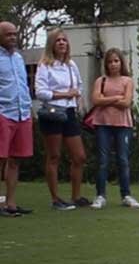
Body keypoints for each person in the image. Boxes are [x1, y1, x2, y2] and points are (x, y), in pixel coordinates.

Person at [35, 28, 89, 210]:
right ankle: (55, 198)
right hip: (52, 113)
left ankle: (75, 196)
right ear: (51, 44)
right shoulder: (45, 65)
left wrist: (74, 95)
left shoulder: (71, 65)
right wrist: (64, 94)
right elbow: (41, 93)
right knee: (54, 156)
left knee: (79, 156)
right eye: (58, 40)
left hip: (70, 112)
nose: (62, 43)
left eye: (64, 40)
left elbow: (79, 86)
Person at [90, 48, 139, 209]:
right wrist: (117, 97)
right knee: (103, 161)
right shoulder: (101, 81)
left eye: (116, 61)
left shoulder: (127, 81)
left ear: (121, 62)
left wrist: (107, 100)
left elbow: (126, 103)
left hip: (123, 124)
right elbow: (96, 100)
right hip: (102, 123)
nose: (113, 64)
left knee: (123, 160)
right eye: (110, 61)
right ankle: (100, 195)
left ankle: (126, 195)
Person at [0, 22, 33, 217]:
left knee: (15, 160)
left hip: (22, 113)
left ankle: (10, 203)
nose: (12, 37)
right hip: (4, 112)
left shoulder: (19, 58)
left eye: (14, 34)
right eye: (8, 35)